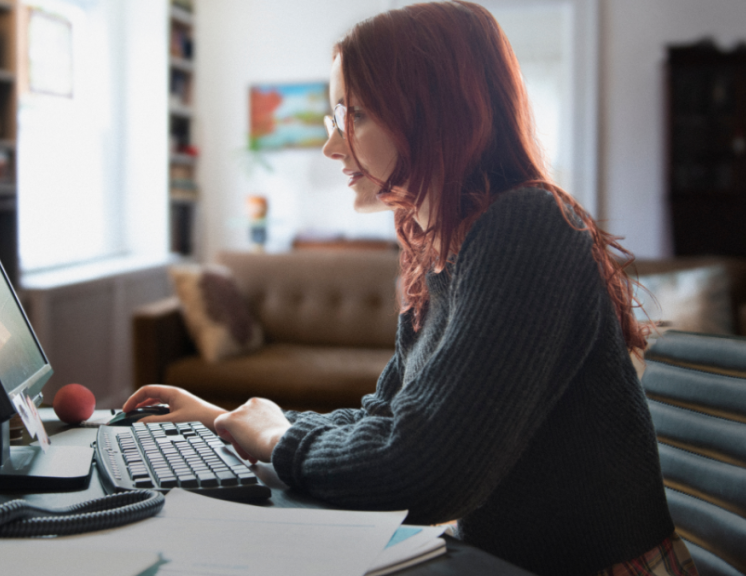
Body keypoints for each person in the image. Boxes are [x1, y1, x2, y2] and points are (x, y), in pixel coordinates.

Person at [124, 3, 696, 574]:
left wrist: (276, 439)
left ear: (434, 113)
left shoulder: (527, 225)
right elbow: (386, 421)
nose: (332, 146)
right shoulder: (442, 249)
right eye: (335, 119)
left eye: (358, 116)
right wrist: (235, 423)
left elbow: (424, 472)